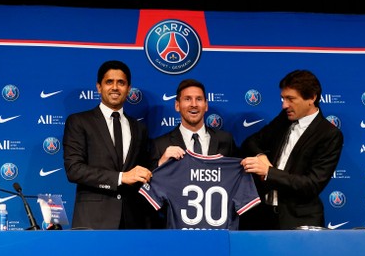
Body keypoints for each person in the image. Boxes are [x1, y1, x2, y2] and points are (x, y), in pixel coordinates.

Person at [239, 69, 343, 230]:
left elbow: (311, 184)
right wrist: (260, 156)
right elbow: (251, 142)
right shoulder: (284, 119)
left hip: (298, 221)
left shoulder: (329, 135)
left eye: (290, 99)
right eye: (283, 98)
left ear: (312, 98)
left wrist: (268, 172)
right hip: (261, 217)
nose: (284, 105)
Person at [63, 60, 152, 230]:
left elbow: (141, 171)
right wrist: (120, 177)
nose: (115, 87)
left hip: (132, 222)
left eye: (121, 82)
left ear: (128, 89)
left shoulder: (139, 128)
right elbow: (74, 169)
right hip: (93, 221)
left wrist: (161, 162)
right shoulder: (79, 122)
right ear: (99, 87)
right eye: (109, 82)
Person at [149, 79, 240, 228]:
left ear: (206, 105)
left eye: (199, 99)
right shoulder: (160, 145)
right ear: (177, 105)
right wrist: (160, 166)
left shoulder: (225, 140)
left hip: (217, 231)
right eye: (187, 99)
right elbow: (149, 194)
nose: (193, 104)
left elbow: (236, 182)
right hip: (177, 233)